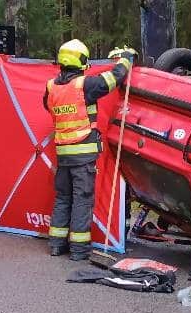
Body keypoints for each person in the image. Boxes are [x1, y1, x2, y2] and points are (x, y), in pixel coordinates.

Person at [42, 39, 135, 261]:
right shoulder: (85, 85)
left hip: (63, 155)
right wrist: (126, 58)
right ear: (82, 61)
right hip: (83, 157)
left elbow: (48, 106)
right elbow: (114, 78)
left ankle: (56, 244)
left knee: (63, 199)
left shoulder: (51, 87)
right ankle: (79, 249)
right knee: (82, 200)